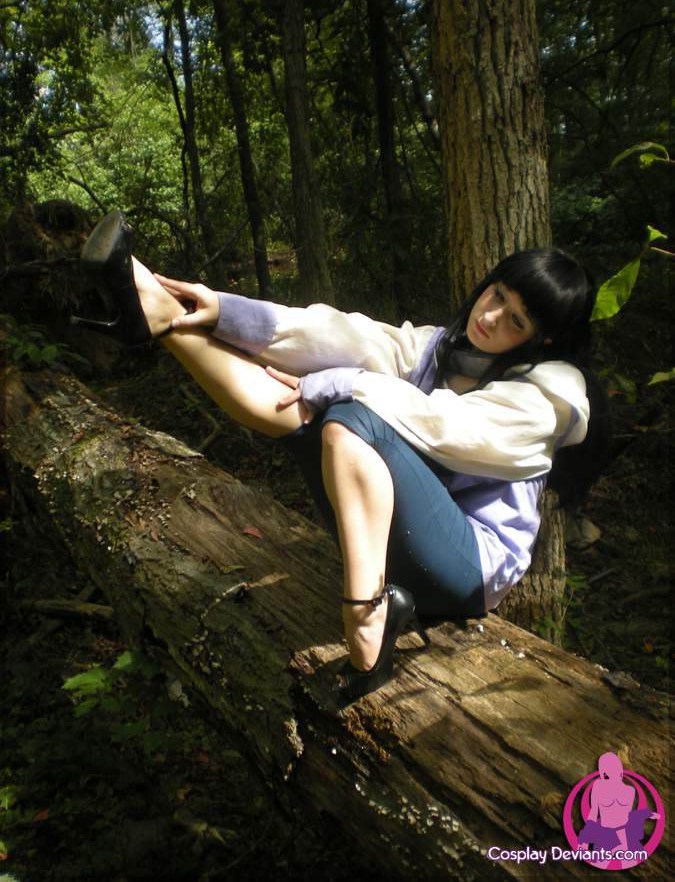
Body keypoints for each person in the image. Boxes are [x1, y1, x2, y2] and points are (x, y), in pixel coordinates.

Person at [72, 210, 609, 704]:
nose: (490, 317)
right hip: (405, 546)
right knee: (306, 413)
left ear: (541, 341)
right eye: (497, 295)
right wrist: (224, 312)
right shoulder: (441, 348)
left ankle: (366, 622)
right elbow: (351, 337)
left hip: (467, 572)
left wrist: (339, 384)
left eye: (516, 321)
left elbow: (446, 426)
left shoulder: (547, 399)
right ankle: (161, 317)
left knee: (352, 415)